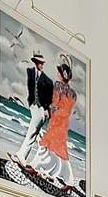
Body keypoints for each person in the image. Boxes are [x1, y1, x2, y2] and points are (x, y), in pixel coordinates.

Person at [29, 53, 78, 190]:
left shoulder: (60, 88)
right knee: (57, 149)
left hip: (58, 122)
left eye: (59, 73)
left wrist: (50, 109)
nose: (57, 74)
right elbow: (63, 107)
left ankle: (35, 167)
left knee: (50, 146)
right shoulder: (71, 93)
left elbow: (55, 104)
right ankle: (68, 182)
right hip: (61, 123)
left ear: (62, 76)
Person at [10, 50, 53, 164]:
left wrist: (45, 109)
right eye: (39, 62)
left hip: (41, 109)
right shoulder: (30, 72)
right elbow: (30, 88)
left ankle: (21, 157)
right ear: (35, 62)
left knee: (32, 131)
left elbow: (49, 99)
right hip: (33, 105)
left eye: (42, 63)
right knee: (35, 133)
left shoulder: (48, 81)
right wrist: (30, 103)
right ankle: (31, 160)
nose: (41, 65)